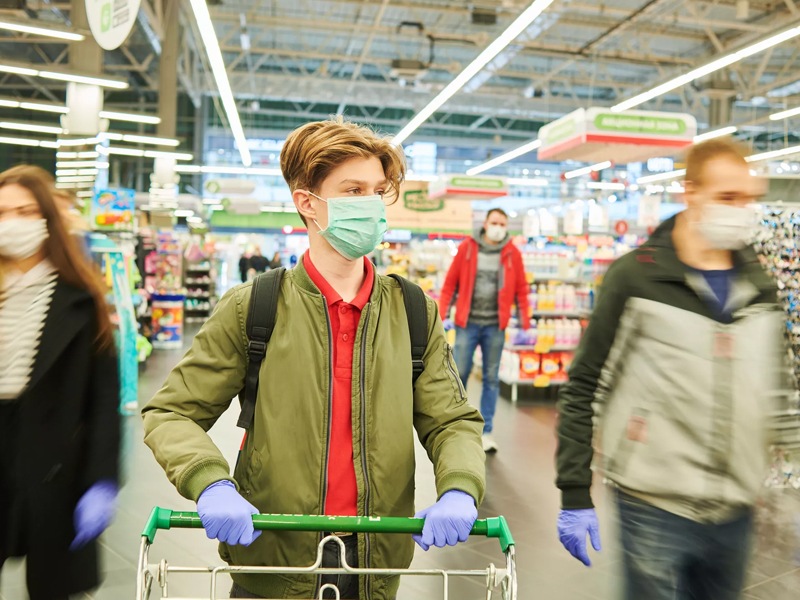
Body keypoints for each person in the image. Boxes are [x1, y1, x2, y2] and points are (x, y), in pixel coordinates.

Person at [142, 118, 486, 600]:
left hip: (374, 564)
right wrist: (210, 482)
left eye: (378, 190)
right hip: (271, 560)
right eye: (353, 189)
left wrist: (460, 487)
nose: (371, 203)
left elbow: (451, 419)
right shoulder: (254, 308)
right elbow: (171, 412)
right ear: (308, 201)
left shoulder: (411, 311)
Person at [555, 138, 790, 600]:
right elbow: (584, 383)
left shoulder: (759, 286)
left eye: (747, 199)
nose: (741, 210)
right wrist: (574, 490)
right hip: (653, 501)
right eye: (727, 197)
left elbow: (778, 392)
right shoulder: (635, 277)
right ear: (690, 192)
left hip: (737, 506)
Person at [0, 165, 120, 600]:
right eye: (3, 212)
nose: (11, 222)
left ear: (47, 219)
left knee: (52, 586)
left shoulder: (80, 297)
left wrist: (102, 479)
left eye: (25, 211)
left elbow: (104, 399)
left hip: (52, 465)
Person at [438, 208, 530, 453]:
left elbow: (521, 288)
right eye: (494, 222)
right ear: (485, 224)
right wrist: (441, 313)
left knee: (491, 379)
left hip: (494, 326)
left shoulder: (512, 254)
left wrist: (525, 320)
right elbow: (450, 284)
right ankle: (456, 427)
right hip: (467, 323)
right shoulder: (467, 249)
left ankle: (486, 431)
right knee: (460, 375)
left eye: (502, 223)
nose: (498, 227)